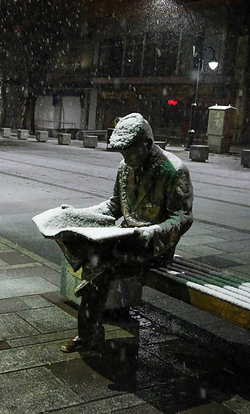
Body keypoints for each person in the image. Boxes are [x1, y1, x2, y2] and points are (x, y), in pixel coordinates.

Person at [60, 113, 194, 353]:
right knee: (90, 253)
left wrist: (151, 233)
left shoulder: (173, 171)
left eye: (130, 152)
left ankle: (88, 334)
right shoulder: (125, 167)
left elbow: (183, 217)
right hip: (125, 241)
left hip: (154, 248)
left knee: (99, 268)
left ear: (148, 144)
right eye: (122, 153)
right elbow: (113, 205)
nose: (126, 158)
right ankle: (89, 330)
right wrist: (78, 214)